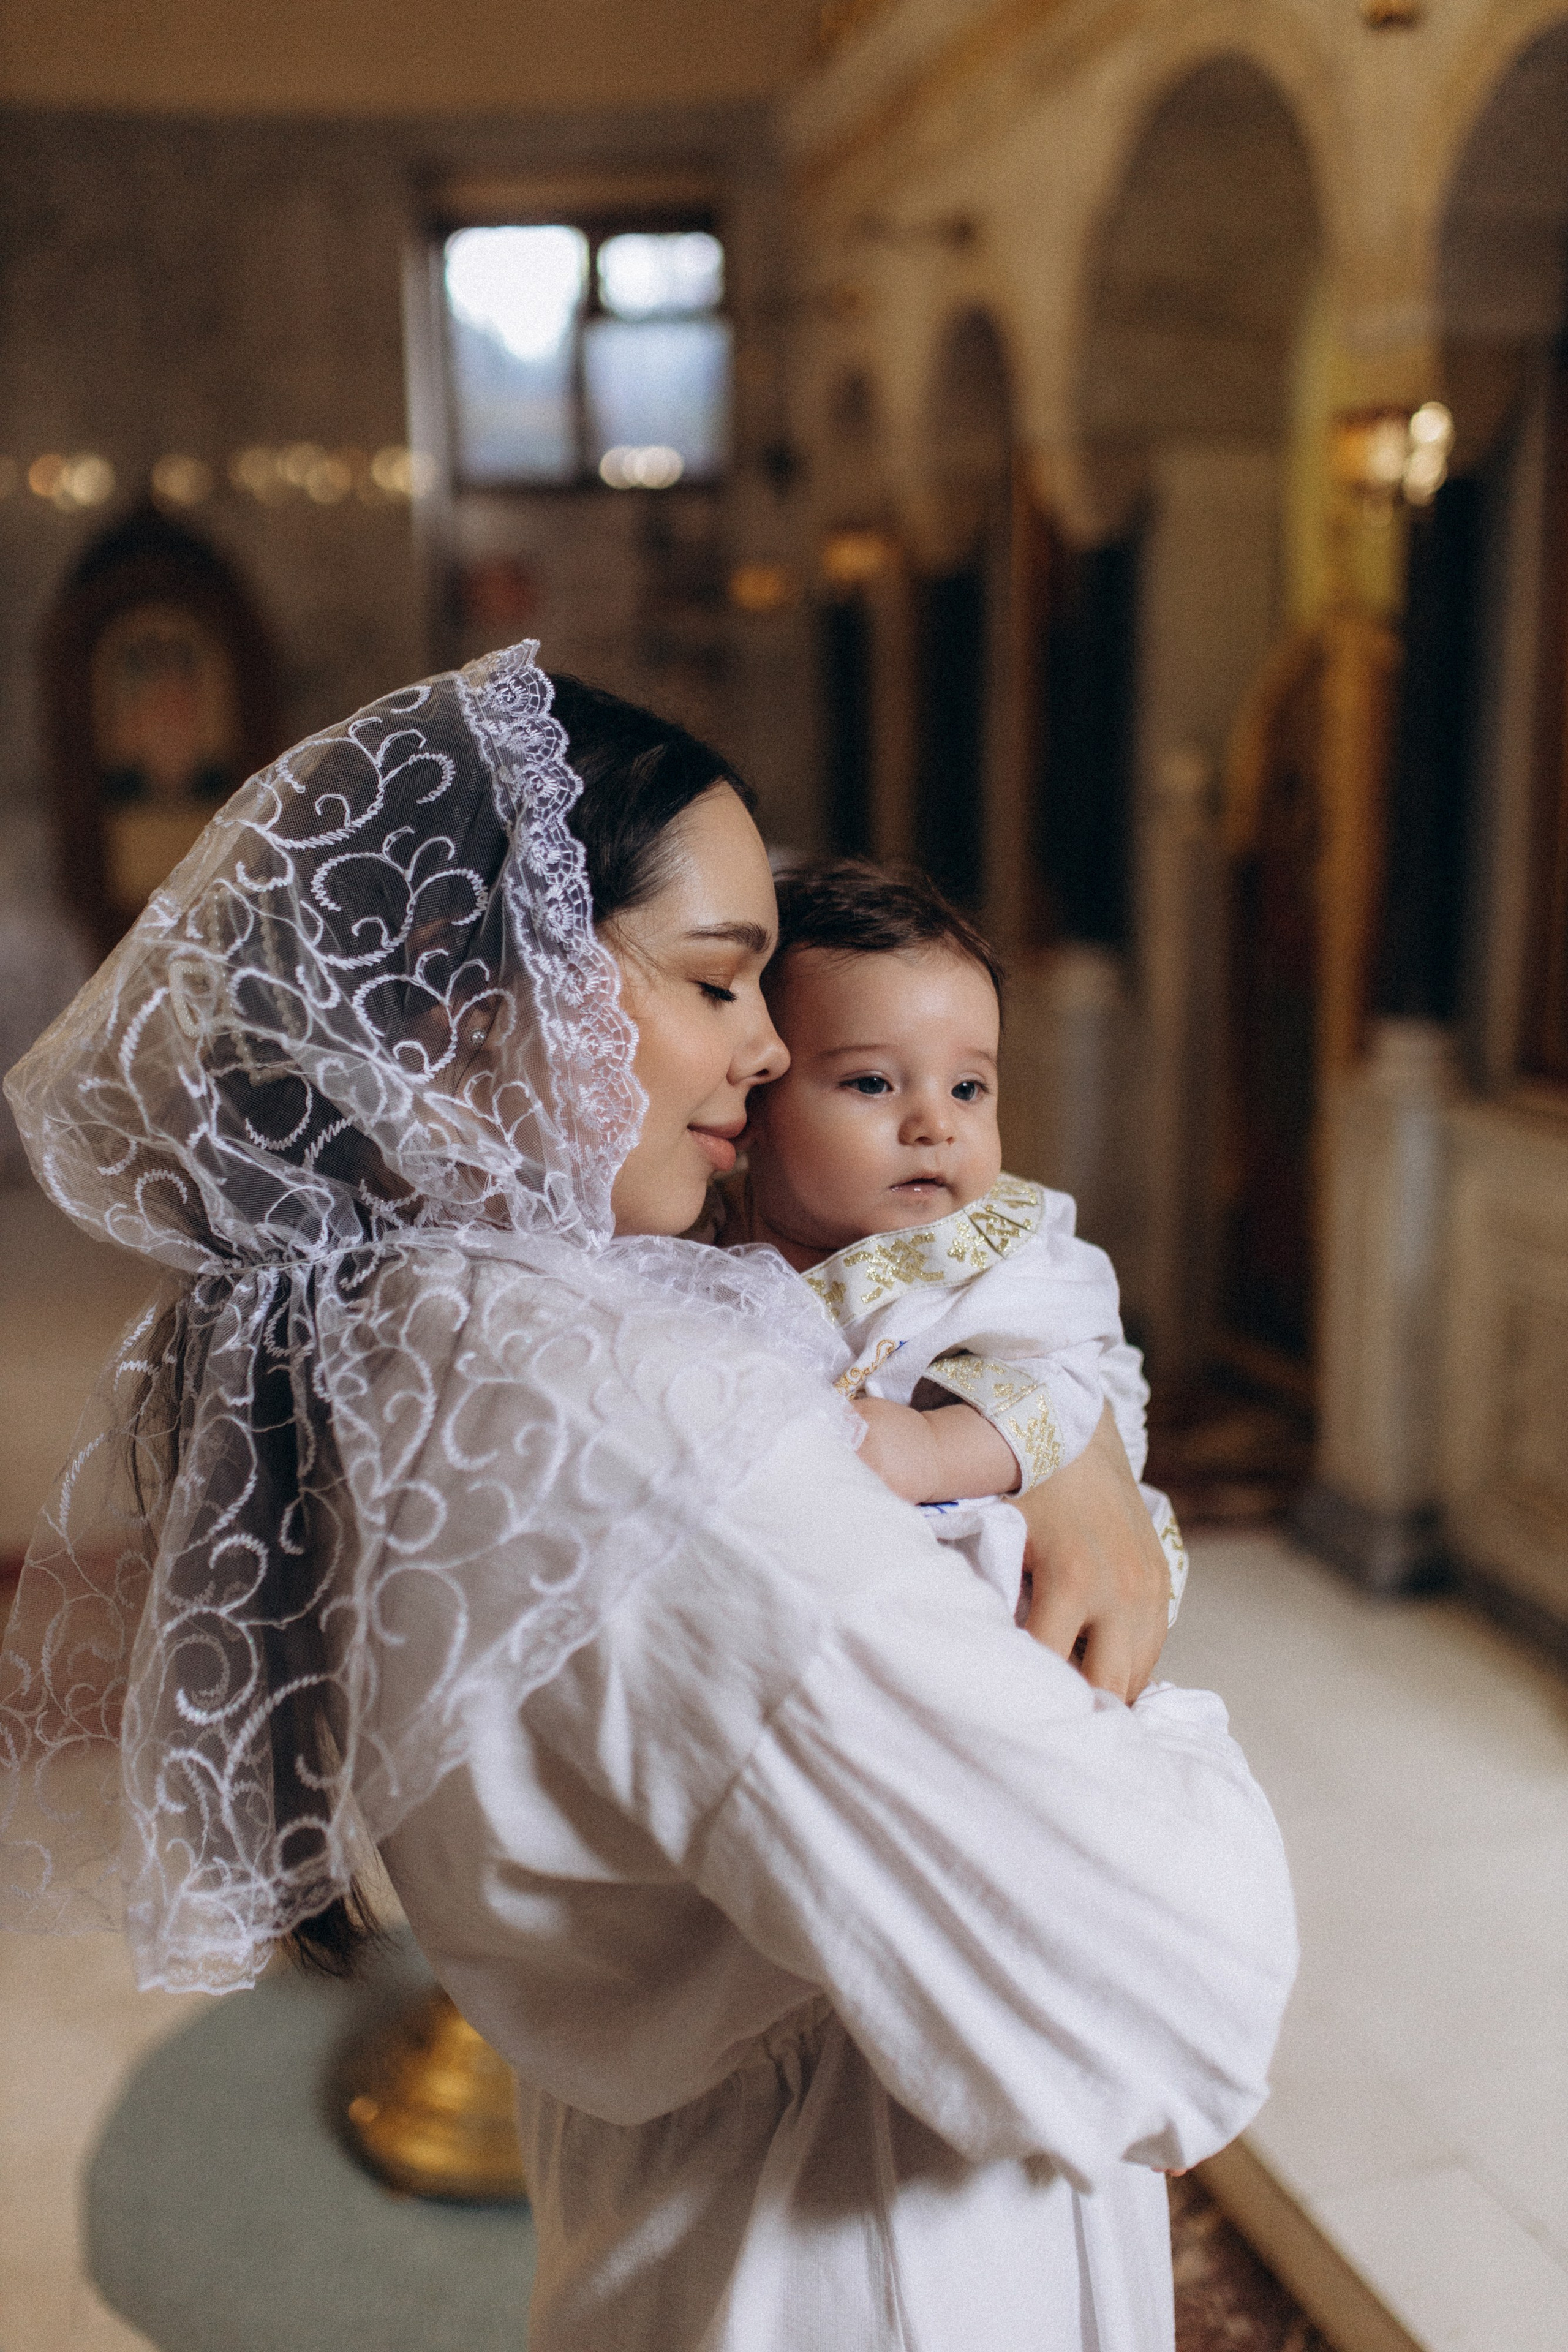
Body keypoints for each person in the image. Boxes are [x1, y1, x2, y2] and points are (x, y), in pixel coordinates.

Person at [1, 646, 1296, 2352]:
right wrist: (1125, 1673)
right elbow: (1156, 1990)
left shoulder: (405, 1335)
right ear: (485, 996)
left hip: (678, 2235)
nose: (770, 1051)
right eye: (716, 980)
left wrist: (1064, 1443)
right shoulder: (645, 1429)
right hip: (875, 2280)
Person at [707, 856, 1186, 1676]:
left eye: (970, 1088)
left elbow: (1066, 1385)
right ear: (756, 1101)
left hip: (1000, 1546)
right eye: (871, 1082)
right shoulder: (699, 1237)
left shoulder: (993, 1242)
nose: (934, 1122)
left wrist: (934, 1449)